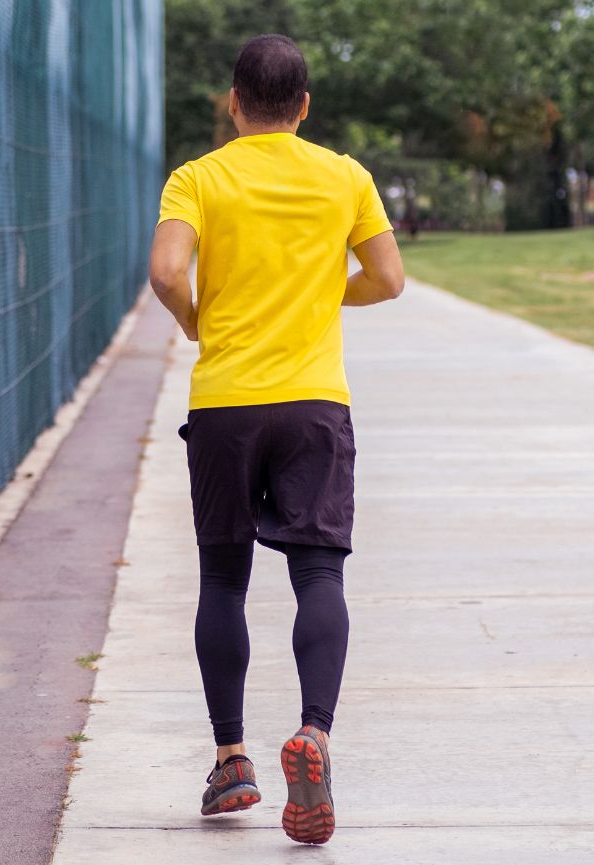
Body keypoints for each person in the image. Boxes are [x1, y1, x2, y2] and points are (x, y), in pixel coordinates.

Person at [146, 33, 405, 846]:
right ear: (303, 106)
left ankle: (233, 760)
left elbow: (164, 271)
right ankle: (315, 733)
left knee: (224, 577)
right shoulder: (346, 176)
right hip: (314, 404)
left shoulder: (198, 178)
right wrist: (327, 292)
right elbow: (390, 279)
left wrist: (200, 323)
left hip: (225, 403)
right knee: (318, 571)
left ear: (232, 102)